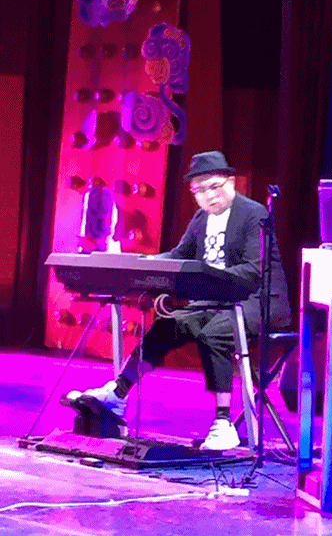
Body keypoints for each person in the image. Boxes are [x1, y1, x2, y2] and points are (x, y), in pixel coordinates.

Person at [68, 151, 292, 450]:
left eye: (215, 186)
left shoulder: (254, 214)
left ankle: (223, 423)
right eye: (200, 190)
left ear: (230, 181)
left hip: (257, 302)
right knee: (167, 326)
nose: (209, 196)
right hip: (214, 301)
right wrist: (144, 264)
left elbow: (253, 270)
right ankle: (117, 394)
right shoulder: (201, 219)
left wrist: (205, 278)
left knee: (215, 333)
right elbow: (178, 256)